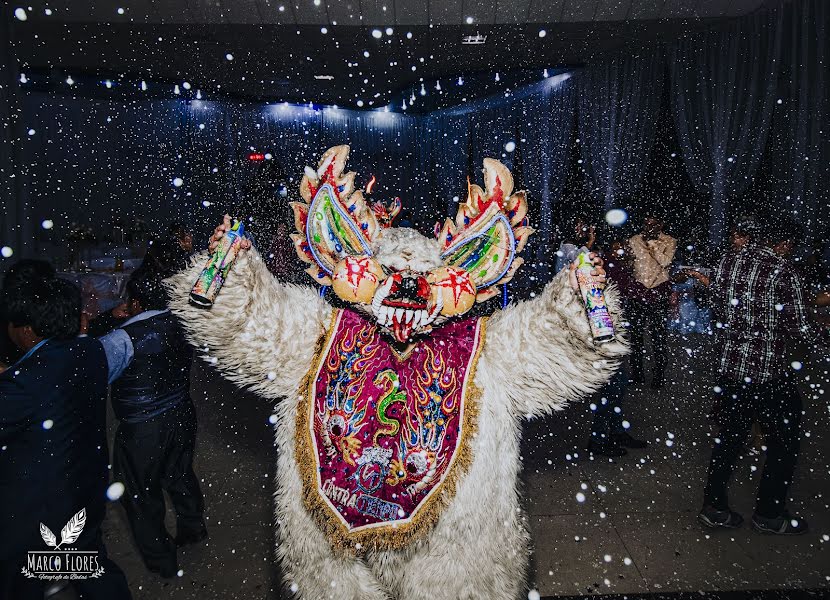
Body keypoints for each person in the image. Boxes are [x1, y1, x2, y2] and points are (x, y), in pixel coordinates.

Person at [0, 277, 131, 599]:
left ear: (26, 331)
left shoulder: (23, 384)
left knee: (18, 580)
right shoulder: (89, 352)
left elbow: (29, 390)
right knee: (88, 566)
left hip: (38, 510)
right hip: (84, 488)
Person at [698, 217, 828, 535]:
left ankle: (713, 508)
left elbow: (716, 303)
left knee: (729, 439)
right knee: (784, 442)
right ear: (784, 244)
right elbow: (801, 327)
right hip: (768, 374)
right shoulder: (784, 271)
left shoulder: (729, 261)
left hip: (731, 369)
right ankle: (769, 513)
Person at [99, 267, 206, 578]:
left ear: (135, 303)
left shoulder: (121, 339)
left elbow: (94, 373)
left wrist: (104, 322)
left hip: (143, 427)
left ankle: (162, 561)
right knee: (180, 473)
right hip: (182, 412)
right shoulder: (183, 322)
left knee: (140, 494)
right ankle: (193, 527)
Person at [587, 239, 649, 457]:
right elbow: (598, 305)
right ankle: (599, 440)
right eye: (615, 247)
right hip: (604, 336)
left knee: (618, 386)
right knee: (613, 387)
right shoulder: (600, 270)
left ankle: (614, 432)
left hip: (613, 334)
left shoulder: (615, 267)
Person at [626, 213, 677, 389]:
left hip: (658, 292)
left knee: (659, 339)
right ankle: (637, 374)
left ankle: (658, 377)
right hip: (638, 294)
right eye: (646, 224)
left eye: (653, 224)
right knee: (636, 337)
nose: (649, 228)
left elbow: (665, 262)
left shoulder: (669, 241)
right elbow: (629, 265)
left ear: (660, 225)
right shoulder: (634, 240)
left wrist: (653, 245)